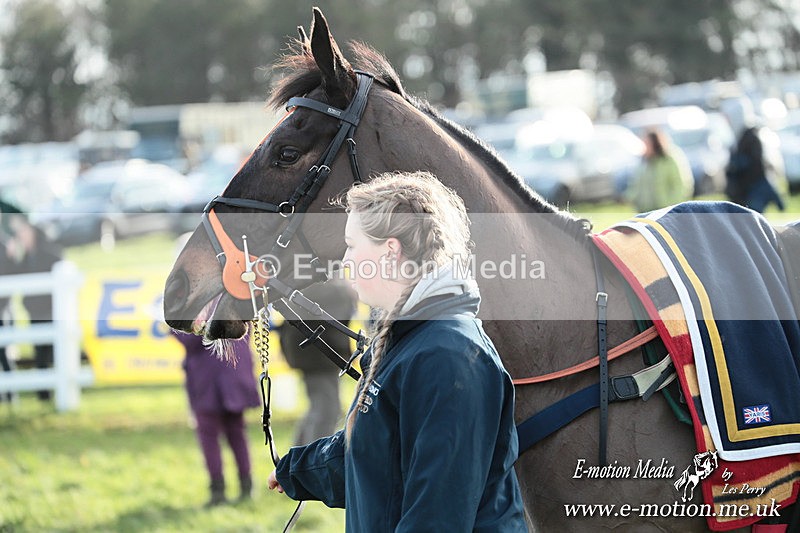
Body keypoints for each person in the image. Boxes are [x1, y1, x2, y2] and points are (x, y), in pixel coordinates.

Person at [267, 171, 526, 531]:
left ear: (390, 251)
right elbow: (379, 459)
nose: (345, 261)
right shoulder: (407, 339)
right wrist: (298, 471)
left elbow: (437, 516)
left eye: (352, 245)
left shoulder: (448, 357)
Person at [173, 331, 261, 507]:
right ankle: (246, 485)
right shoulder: (238, 302)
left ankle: (218, 491)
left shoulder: (200, 306)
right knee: (237, 433)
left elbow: (192, 340)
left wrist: (170, 326)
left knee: (209, 436)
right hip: (235, 373)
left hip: (207, 378)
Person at [278, 279, 357, 445]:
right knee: (326, 411)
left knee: (320, 408)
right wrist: (346, 290)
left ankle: (297, 457)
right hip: (317, 354)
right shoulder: (318, 282)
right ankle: (312, 462)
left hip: (315, 352)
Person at [5, 214, 62, 400]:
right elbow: (14, 277)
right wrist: (12, 257)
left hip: (50, 309)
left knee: (52, 350)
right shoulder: (27, 257)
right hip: (35, 311)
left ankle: (54, 391)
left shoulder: (48, 253)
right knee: (40, 352)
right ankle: (43, 394)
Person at [625, 128, 694, 213]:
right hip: (644, 211)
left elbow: (680, 184)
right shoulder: (643, 162)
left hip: (665, 210)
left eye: (647, 143)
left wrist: (673, 206)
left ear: (655, 143)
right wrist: (629, 198)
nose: (645, 147)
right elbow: (636, 185)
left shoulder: (670, 159)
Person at [725, 126, 786, 213]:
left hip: (752, 190)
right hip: (746, 190)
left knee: (753, 216)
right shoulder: (742, 139)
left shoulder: (751, 139)